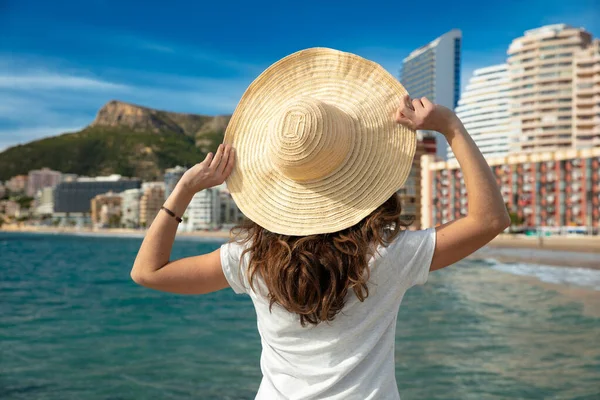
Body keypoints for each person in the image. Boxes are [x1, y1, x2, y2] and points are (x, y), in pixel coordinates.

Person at [131, 48, 509, 400]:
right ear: (362, 172)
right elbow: (490, 219)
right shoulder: (387, 255)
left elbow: (148, 272)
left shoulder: (250, 259)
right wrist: (451, 127)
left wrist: (184, 189)